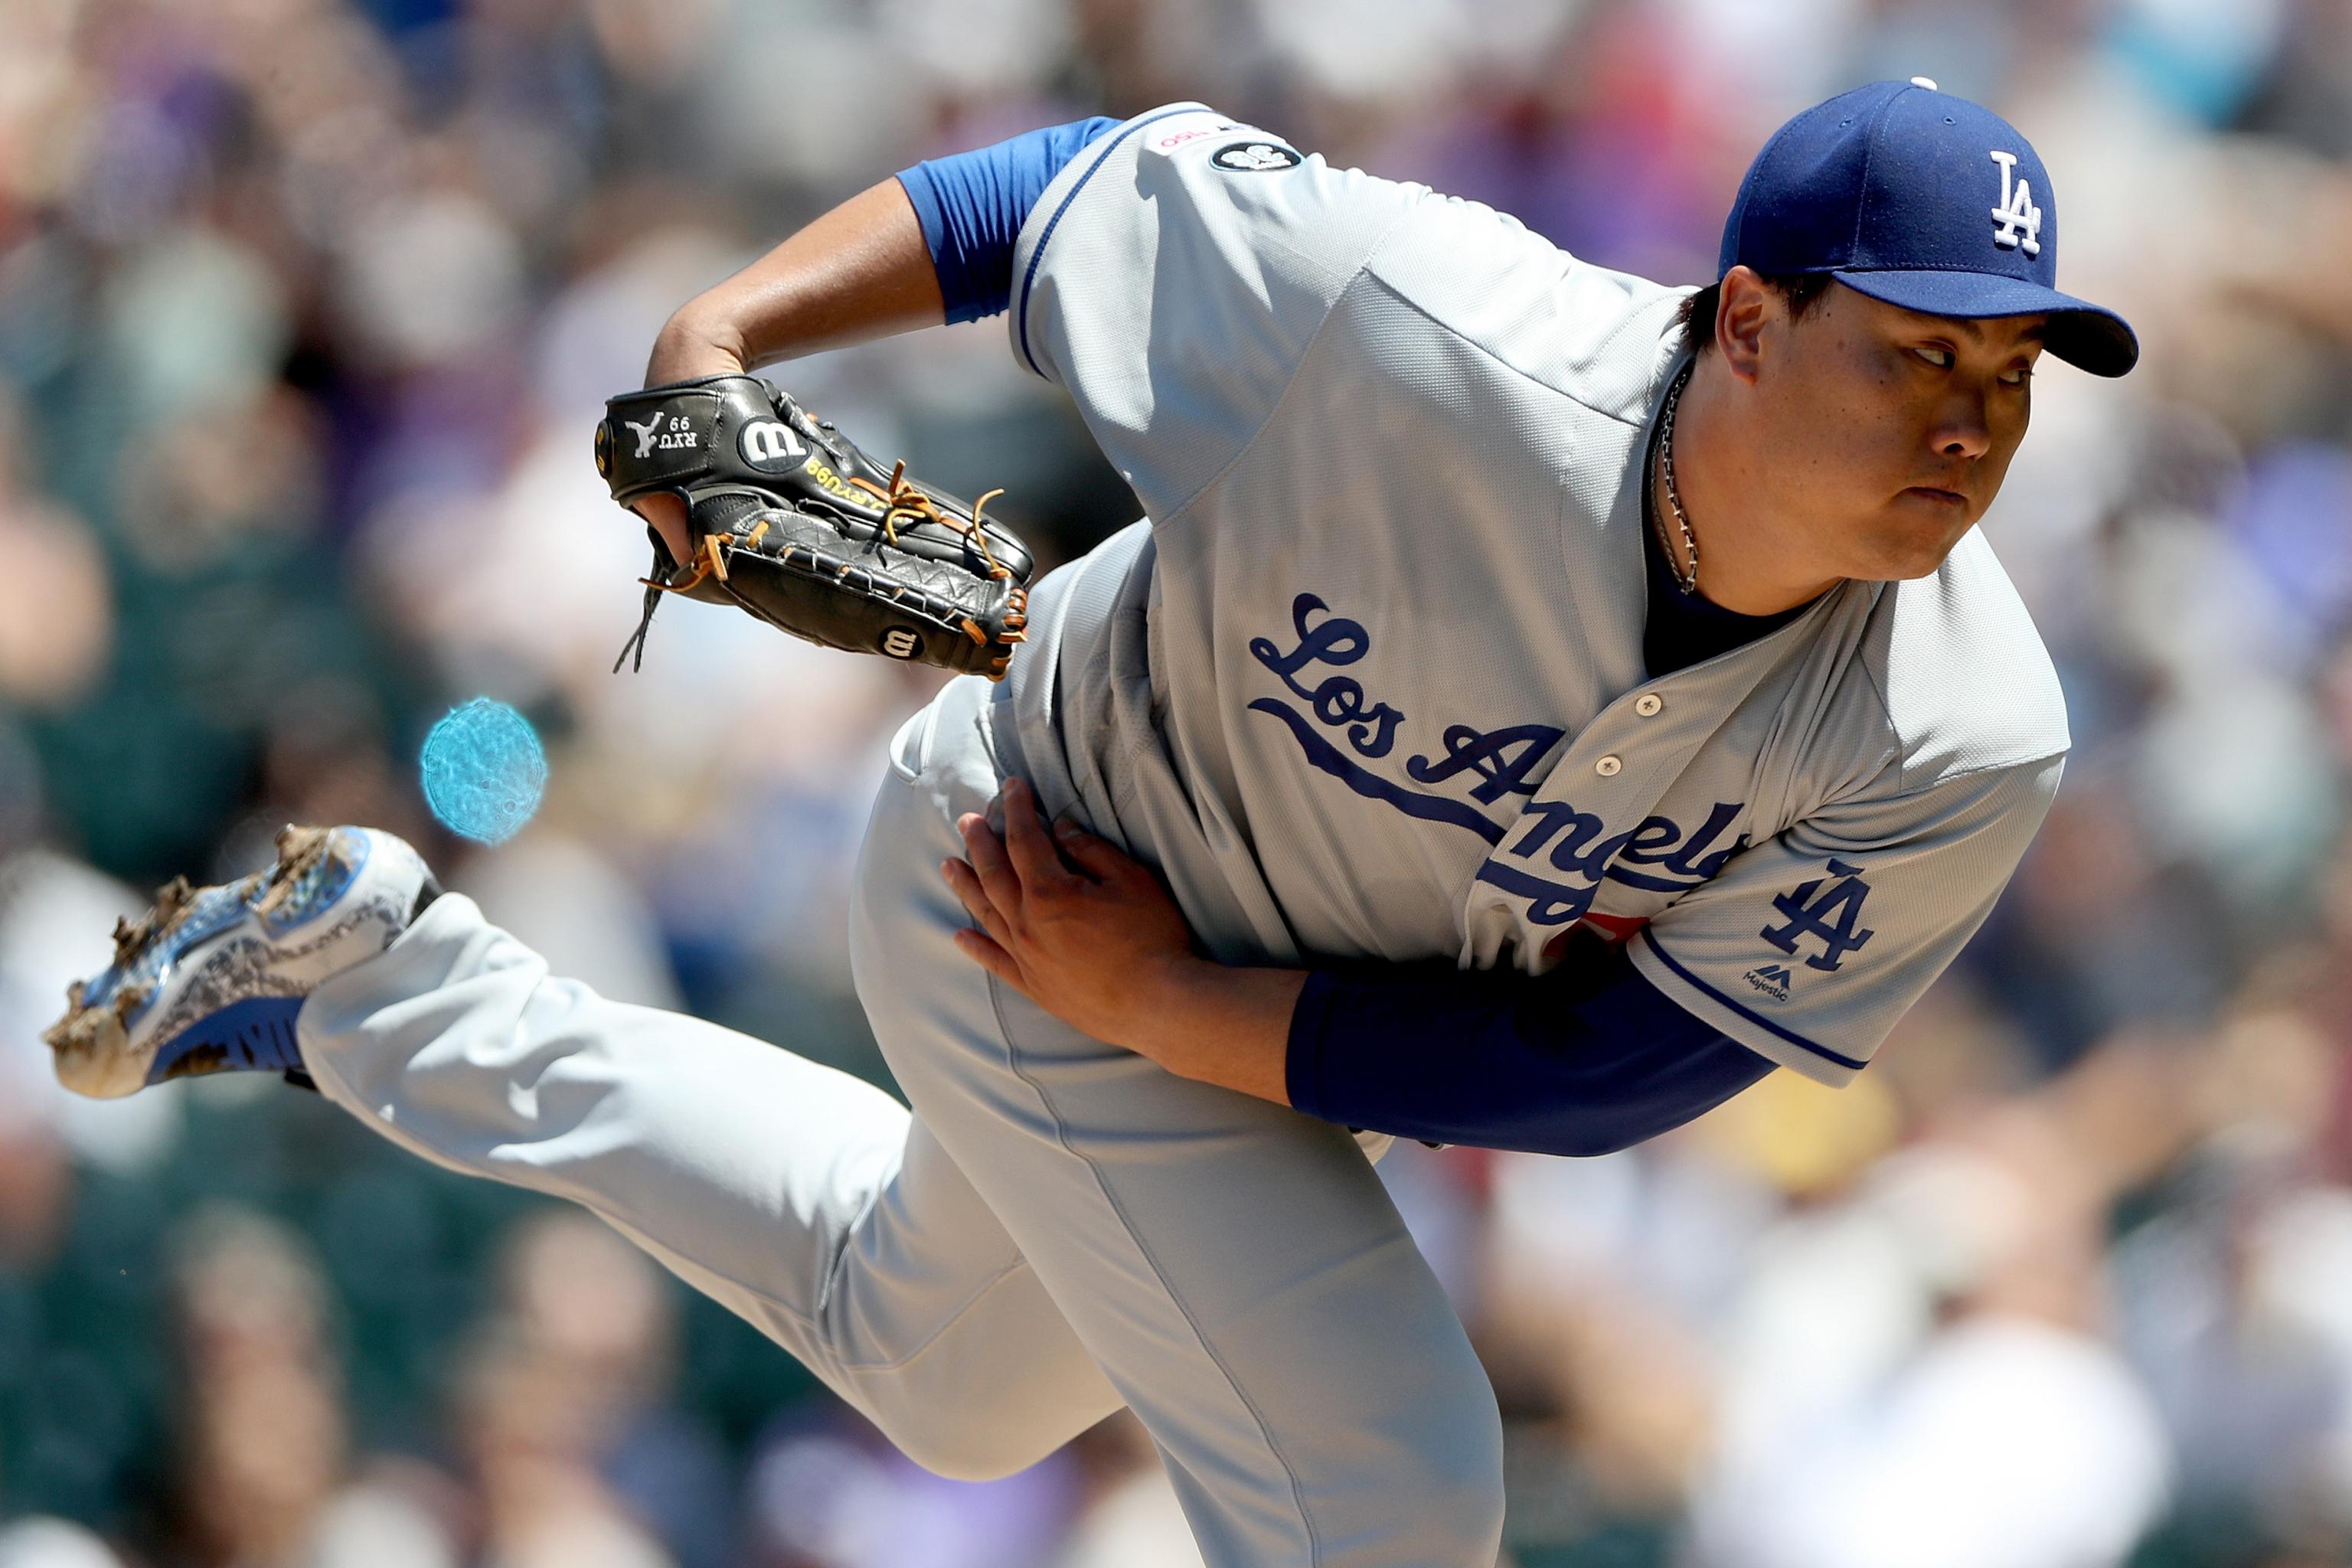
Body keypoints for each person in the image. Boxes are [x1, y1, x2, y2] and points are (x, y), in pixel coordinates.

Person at [45, 79, 2135, 1567]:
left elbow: (1614, 1074)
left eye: (2018, 372)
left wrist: (1183, 1007)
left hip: (1204, 1004)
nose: (1972, 417)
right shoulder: (1428, 332)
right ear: (1751, 321)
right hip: (1029, 865)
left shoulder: (1960, 724)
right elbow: (1053, 202)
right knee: (1399, 1498)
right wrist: (723, 337)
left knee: (944, 1373)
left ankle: (378, 988)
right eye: (1920, 349)